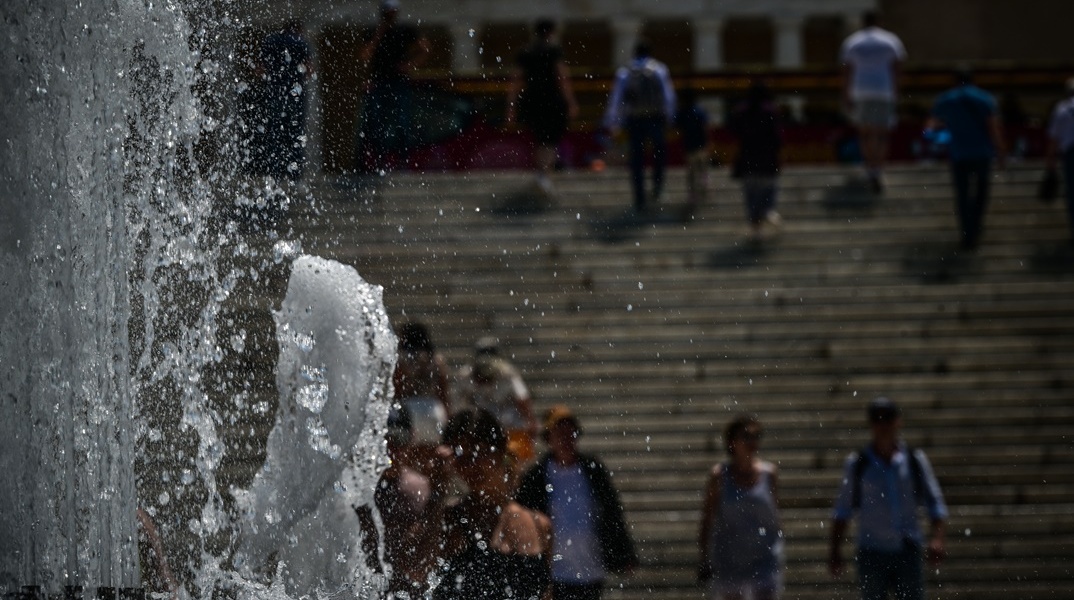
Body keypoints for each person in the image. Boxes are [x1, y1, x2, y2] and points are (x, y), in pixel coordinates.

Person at [829, 397, 948, 600]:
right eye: (877, 419)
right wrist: (835, 550)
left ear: (898, 421)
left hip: (907, 548)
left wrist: (937, 538)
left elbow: (935, 502)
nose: (883, 424)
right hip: (872, 550)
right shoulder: (858, 464)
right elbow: (843, 509)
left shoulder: (914, 460)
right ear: (870, 423)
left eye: (888, 418)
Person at [515, 405, 639, 600]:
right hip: (553, 572)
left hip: (591, 567)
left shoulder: (593, 470)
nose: (566, 439)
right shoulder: (536, 477)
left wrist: (624, 553)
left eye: (570, 433)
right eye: (560, 434)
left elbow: (612, 511)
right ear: (548, 438)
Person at [432, 408, 552, 600]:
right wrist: (436, 485)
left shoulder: (540, 525)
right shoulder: (448, 520)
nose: (470, 464)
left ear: (500, 449)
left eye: (477, 451)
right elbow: (414, 572)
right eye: (460, 454)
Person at [697, 415, 784, 600]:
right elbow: (707, 519)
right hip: (730, 558)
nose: (752, 442)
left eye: (756, 436)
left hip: (764, 556)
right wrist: (704, 556)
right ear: (732, 442)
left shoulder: (769, 474)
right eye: (746, 436)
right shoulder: (719, 476)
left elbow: (775, 514)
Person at [927, 67, 1007, 250]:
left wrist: (944, 139)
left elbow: (931, 128)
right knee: (981, 193)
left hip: (958, 153)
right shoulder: (984, 98)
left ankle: (966, 231)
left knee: (962, 195)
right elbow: (993, 127)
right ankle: (976, 225)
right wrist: (1001, 151)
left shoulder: (945, 99)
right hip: (982, 153)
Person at [507, 18, 579, 198]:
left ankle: (542, 174)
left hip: (531, 100)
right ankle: (544, 175)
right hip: (552, 100)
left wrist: (511, 107)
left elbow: (515, 81)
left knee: (540, 139)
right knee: (550, 140)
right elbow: (562, 77)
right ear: (551, 33)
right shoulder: (554, 51)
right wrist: (571, 102)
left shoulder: (525, 52)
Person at [355, 0, 429, 174]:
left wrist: (410, 64)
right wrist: (378, 35)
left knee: (402, 122)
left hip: (398, 82)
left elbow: (425, 48)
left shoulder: (404, 30)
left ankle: (403, 162)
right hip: (378, 82)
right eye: (386, 13)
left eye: (392, 13)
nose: (389, 16)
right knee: (377, 124)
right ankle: (379, 162)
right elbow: (364, 56)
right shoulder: (373, 31)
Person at [603, 40, 677, 214]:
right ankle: (657, 185)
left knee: (636, 158)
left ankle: (639, 197)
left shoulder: (625, 72)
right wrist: (670, 117)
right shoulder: (659, 69)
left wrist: (613, 121)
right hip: (655, 117)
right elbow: (668, 96)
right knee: (659, 153)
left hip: (634, 119)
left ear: (634, 53)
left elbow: (617, 99)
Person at [840, 11, 906, 194]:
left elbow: (847, 71)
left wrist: (846, 95)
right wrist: (897, 91)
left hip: (861, 91)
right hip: (884, 90)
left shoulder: (853, 42)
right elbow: (897, 67)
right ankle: (878, 168)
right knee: (882, 133)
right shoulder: (890, 40)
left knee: (865, 133)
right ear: (879, 21)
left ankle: (870, 168)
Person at [452, 337, 538, 465]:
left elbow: (522, 399)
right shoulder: (465, 376)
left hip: (507, 426)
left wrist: (531, 422)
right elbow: (457, 403)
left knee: (514, 459)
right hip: (480, 428)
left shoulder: (508, 374)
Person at [255, 20, 313, 180]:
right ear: (298, 29)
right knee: (296, 133)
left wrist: (272, 81)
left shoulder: (271, 41)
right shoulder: (301, 42)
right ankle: (295, 175)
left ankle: (275, 174)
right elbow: (309, 70)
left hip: (275, 91)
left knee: (274, 132)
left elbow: (259, 70)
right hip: (295, 92)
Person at [727, 81, 783, 241]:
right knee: (767, 191)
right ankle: (767, 212)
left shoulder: (742, 112)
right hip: (767, 160)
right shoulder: (770, 111)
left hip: (748, 159)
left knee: (751, 195)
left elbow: (733, 130)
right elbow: (777, 137)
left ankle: (756, 228)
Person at [393, 321, 451, 444]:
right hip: (433, 409)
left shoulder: (401, 360)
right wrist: (448, 414)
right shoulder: (436, 360)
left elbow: (397, 388)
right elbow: (442, 391)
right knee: (432, 450)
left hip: (408, 408)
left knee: (407, 450)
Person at [1045, 77, 1074, 244]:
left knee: (1072, 195)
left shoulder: (1061, 109)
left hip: (1070, 154)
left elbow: (1054, 138)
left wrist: (1050, 163)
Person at [675, 87, 711, 218]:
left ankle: (693, 194)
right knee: (701, 167)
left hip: (689, 145)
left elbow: (677, 126)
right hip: (700, 144)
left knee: (691, 171)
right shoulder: (699, 111)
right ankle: (703, 185)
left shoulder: (683, 112)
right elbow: (705, 127)